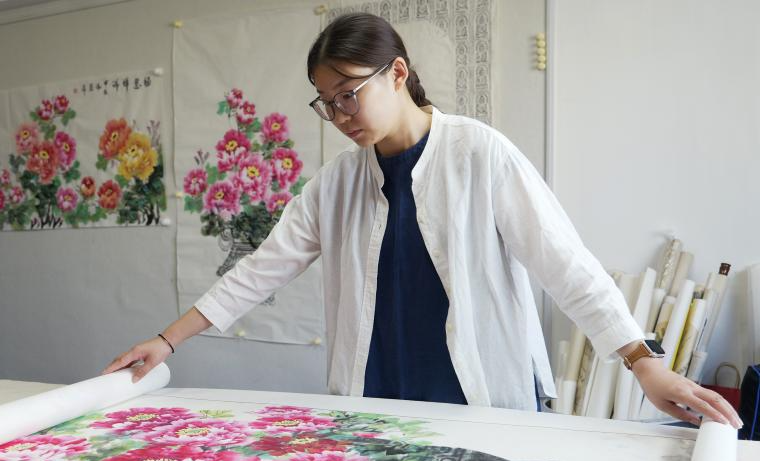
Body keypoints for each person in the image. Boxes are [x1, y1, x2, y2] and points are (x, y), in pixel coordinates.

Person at [104, 12, 741, 429]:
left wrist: (643, 362)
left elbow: (563, 262)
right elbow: (260, 270)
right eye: (326, 103)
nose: (340, 115)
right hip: (377, 394)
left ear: (398, 74)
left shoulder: (477, 153)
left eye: (349, 94)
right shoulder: (337, 183)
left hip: (476, 392)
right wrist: (167, 342)